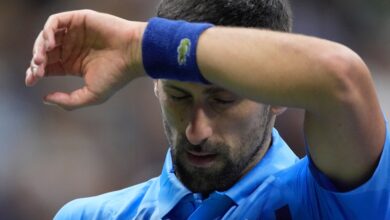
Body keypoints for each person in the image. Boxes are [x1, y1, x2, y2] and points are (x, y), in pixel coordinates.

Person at [26, 0, 390, 219]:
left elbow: (341, 78)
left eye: (224, 100)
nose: (196, 131)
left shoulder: (325, 205)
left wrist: (143, 44)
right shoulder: (90, 216)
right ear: (155, 84)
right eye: (179, 97)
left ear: (280, 95)